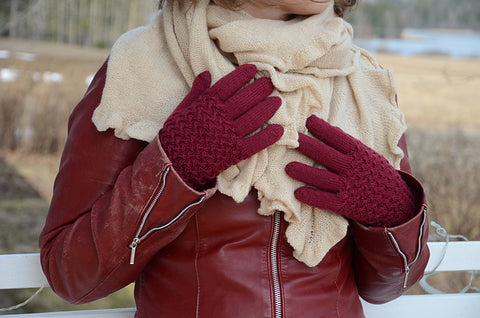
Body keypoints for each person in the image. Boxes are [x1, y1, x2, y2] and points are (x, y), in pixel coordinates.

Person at [39, 0, 429, 317]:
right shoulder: (139, 65)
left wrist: (392, 212)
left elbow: (388, 287)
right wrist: (175, 167)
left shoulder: (365, 83)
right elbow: (70, 272)